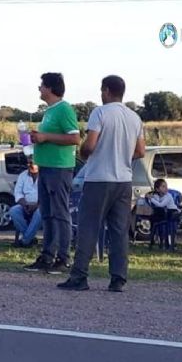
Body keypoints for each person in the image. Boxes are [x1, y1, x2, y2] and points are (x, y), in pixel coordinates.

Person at [58, 75, 145, 292]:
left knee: (89, 227)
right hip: (123, 180)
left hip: (98, 178)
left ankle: (79, 276)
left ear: (107, 90)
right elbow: (141, 151)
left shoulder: (100, 113)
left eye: (101, 90)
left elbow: (90, 145)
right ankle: (118, 278)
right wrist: (122, 155)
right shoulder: (135, 118)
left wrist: (85, 153)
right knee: (119, 231)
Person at [23, 72, 81, 274]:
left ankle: (63, 258)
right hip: (45, 166)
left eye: (41, 85)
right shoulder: (49, 111)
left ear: (50, 88)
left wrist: (45, 136)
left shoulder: (64, 109)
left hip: (59, 168)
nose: (39, 89)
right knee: (47, 213)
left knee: (60, 213)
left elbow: (75, 138)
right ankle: (47, 255)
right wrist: (37, 138)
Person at [9, 156, 41, 247]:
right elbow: (18, 193)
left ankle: (25, 241)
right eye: (27, 163)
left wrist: (37, 205)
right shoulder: (23, 175)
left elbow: (46, 194)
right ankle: (30, 238)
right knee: (13, 211)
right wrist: (25, 205)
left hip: (40, 205)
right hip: (25, 204)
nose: (28, 165)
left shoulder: (44, 176)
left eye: (31, 163)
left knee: (40, 213)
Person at [148, 178, 181, 249]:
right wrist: (150, 197)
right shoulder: (157, 196)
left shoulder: (168, 196)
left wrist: (151, 199)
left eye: (166, 186)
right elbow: (155, 202)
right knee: (154, 218)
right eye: (163, 186)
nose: (166, 188)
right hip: (165, 213)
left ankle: (171, 243)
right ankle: (156, 240)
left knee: (170, 226)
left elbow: (161, 205)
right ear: (157, 189)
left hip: (173, 212)